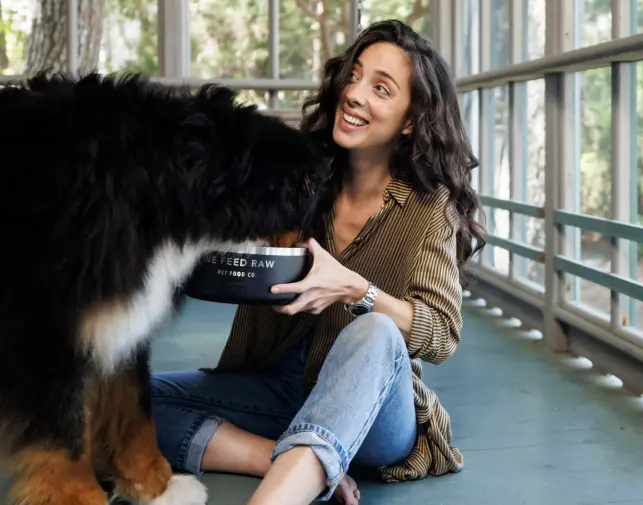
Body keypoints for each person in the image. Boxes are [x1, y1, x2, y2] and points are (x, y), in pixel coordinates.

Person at [150, 19, 485, 505]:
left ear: (410, 120)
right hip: (275, 387)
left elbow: (442, 333)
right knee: (125, 408)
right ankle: (283, 457)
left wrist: (356, 291)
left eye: (381, 88)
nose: (354, 93)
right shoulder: (300, 177)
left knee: (375, 331)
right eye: (355, 75)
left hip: (373, 411)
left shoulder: (428, 207)